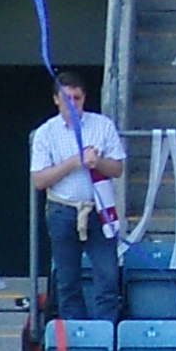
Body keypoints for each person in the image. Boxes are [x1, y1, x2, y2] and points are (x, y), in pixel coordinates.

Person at [30, 76, 124, 320]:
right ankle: (75, 334)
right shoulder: (45, 133)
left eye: (77, 98)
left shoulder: (103, 125)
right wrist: (74, 162)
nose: (72, 104)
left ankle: (105, 333)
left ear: (84, 99)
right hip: (62, 209)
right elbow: (39, 180)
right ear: (56, 100)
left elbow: (117, 169)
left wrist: (97, 162)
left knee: (108, 276)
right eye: (66, 99)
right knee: (67, 279)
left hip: (99, 209)